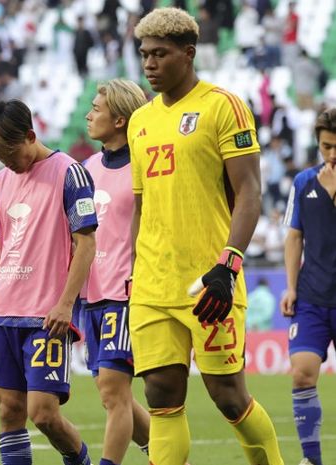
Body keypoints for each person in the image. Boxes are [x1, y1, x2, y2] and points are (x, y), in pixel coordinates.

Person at [127, 8, 284, 465]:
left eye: (160, 54)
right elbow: (141, 203)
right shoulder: (139, 121)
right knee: (160, 395)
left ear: (188, 53)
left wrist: (228, 263)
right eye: (144, 55)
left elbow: (249, 193)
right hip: (153, 284)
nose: (150, 64)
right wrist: (134, 271)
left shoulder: (223, 106)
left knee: (228, 396)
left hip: (209, 279)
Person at [0, 99, 97, 465]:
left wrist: (65, 303)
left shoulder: (69, 172)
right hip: (2, 313)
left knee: (43, 413)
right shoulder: (0, 181)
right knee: (9, 411)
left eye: (9, 151)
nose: (5, 161)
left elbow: (86, 242)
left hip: (46, 315)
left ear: (30, 135)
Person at [82, 79, 151, 465]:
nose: (89, 114)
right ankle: (168, 455)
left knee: (112, 391)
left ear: (120, 119)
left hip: (125, 291)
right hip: (91, 293)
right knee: (115, 394)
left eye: (97, 108)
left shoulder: (144, 166)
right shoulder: (87, 168)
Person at [281, 107, 336, 465]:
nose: (333, 155)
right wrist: (290, 287)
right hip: (313, 297)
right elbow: (294, 235)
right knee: (302, 373)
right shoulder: (303, 183)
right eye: (327, 147)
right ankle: (311, 459)